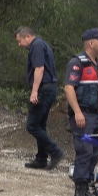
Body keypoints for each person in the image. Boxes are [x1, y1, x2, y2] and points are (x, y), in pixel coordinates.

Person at [64, 28, 98, 196]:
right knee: (84, 151)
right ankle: (79, 192)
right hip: (84, 114)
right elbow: (69, 88)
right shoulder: (77, 63)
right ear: (91, 43)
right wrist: (77, 112)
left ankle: (89, 187)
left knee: (95, 152)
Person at [15, 26, 65, 170]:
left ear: (28, 37)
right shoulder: (43, 45)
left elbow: (39, 68)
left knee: (32, 125)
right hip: (49, 89)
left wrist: (34, 91)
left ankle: (55, 152)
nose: (19, 45)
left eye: (20, 41)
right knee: (40, 125)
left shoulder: (36, 46)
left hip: (44, 90)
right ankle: (41, 158)